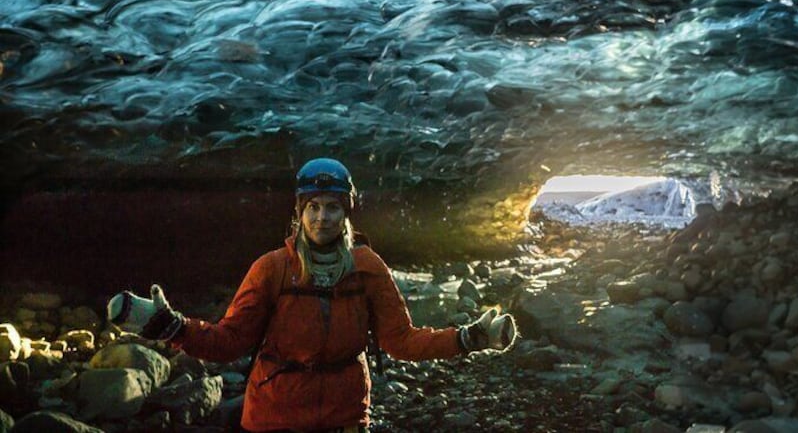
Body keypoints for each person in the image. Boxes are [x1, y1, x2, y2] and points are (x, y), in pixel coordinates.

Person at [107, 158, 517, 433]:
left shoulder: (367, 267)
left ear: (347, 212)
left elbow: (401, 341)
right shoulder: (271, 268)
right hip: (274, 418)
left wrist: (469, 338)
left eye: (333, 207)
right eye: (314, 207)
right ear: (299, 212)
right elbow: (230, 341)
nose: (323, 217)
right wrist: (171, 327)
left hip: (344, 417)